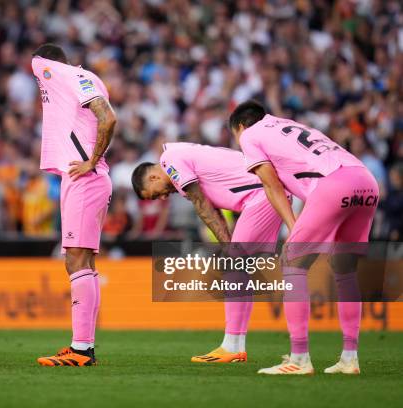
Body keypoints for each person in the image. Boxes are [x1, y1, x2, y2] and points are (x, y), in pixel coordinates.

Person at [230, 100, 378, 375]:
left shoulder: (250, 134)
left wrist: (292, 226)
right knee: (344, 270)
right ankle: (350, 358)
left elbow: (271, 184)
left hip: (334, 185)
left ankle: (299, 359)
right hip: (365, 182)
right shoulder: (287, 124)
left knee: (292, 263)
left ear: (240, 127)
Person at [131, 142, 284, 363]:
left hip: (261, 195)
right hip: (266, 193)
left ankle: (231, 346)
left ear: (153, 178)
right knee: (239, 271)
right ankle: (236, 346)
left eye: (155, 195)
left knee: (234, 267)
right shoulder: (181, 160)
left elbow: (201, 204)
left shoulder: (170, 161)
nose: (162, 198)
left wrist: (228, 247)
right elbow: (213, 207)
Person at [31, 43, 116, 366]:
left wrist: (91, 161)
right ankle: (84, 346)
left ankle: (81, 349)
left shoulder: (74, 76)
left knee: (77, 261)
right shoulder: (76, 80)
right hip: (81, 177)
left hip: (86, 177)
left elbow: (108, 118)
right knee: (83, 262)